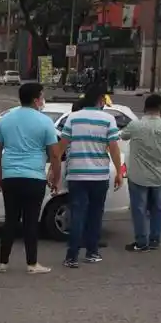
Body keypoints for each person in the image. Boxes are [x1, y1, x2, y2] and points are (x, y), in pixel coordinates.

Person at [0, 82, 59, 275]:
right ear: (37, 99)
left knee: (10, 220)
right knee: (30, 221)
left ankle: (2, 263)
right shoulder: (45, 122)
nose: (43, 101)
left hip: (11, 177)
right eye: (42, 97)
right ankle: (32, 264)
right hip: (34, 177)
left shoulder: (6, 120)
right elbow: (54, 154)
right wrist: (56, 178)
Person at [55, 84, 124, 268]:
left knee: (77, 214)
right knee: (95, 215)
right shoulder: (108, 119)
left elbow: (61, 146)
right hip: (99, 176)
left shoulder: (73, 118)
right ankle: (92, 253)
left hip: (76, 176)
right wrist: (119, 172)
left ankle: (71, 256)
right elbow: (114, 148)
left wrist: (53, 170)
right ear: (100, 100)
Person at [120, 93, 161, 252]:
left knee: (139, 210)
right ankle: (155, 240)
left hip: (138, 175)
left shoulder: (135, 125)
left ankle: (141, 242)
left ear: (145, 108)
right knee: (157, 209)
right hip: (160, 176)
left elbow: (123, 136)